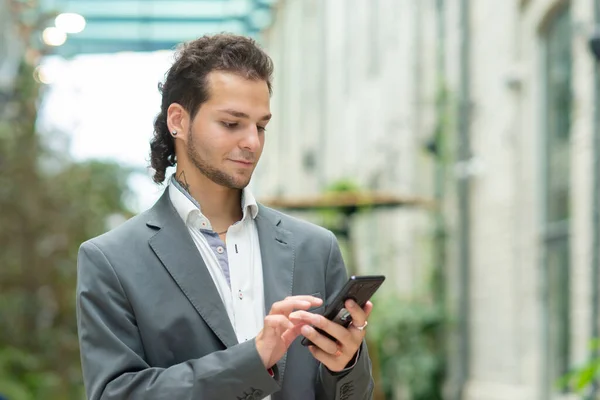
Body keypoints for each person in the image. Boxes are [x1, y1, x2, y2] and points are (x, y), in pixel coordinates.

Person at [76, 33, 374, 400]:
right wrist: (252, 360)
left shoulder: (316, 248)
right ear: (178, 121)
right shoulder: (111, 261)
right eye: (232, 123)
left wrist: (344, 363)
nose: (252, 142)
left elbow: (352, 395)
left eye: (260, 126)